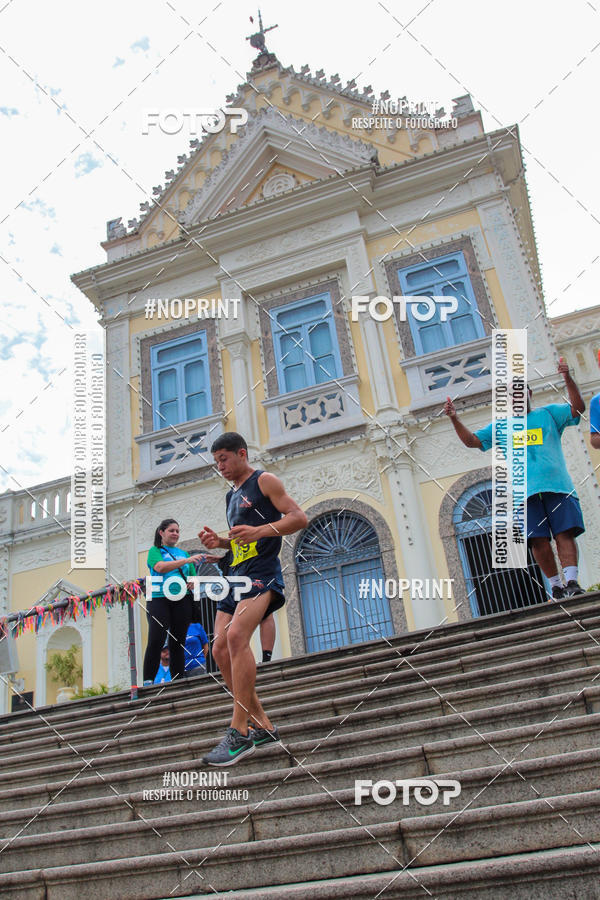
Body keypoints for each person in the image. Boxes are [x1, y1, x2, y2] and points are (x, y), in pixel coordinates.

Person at [198, 432, 308, 766]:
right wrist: (220, 544)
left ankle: (239, 731)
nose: (220, 466)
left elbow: (299, 518)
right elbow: (240, 541)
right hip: (235, 576)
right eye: (216, 461)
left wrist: (260, 531)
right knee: (218, 648)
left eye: (224, 459)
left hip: (262, 573)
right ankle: (262, 725)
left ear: (242, 454)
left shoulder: (265, 481)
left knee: (236, 637)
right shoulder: (231, 497)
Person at [444, 358, 586, 600]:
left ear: (529, 393)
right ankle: (556, 586)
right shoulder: (501, 427)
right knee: (537, 541)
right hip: (523, 495)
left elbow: (578, 409)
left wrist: (568, 379)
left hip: (558, 487)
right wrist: (455, 419)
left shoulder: (549, 414)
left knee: (564, 534)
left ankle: (571, 581)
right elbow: (472, 442)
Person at [143, 518, 207, 685]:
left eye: (177, 531)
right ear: (161, 532)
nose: (175, 534)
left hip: (181, 599)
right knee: (156, 638)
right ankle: (148, 680)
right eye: (171, 530)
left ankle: (177, 679)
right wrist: (186, 561)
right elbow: (160, 567)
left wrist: (193, 582)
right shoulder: (155, 550)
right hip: (159, 598)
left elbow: (193, 576)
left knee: (178, 640)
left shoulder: (184, 553)